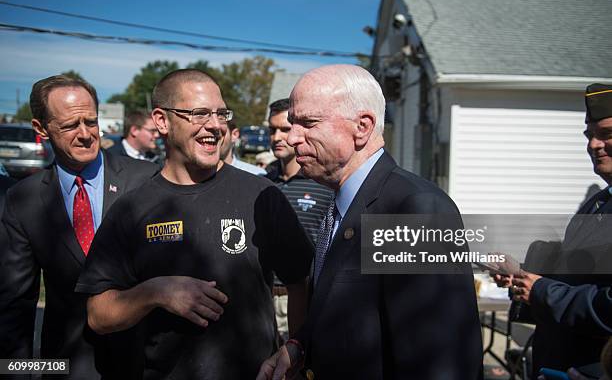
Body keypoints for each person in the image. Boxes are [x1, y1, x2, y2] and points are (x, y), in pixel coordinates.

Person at [76, 69, 313, 379]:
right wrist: (155, 292)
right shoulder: (132, 209)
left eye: (220, 113)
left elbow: (301, 281)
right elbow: (98, 316)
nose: (215, 126)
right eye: (200, 114)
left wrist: (294, 348)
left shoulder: (260, 195)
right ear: (161, 120)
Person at [257, 64, 483, 379]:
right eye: (293, 123)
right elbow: (348, 315)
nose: (293, 138)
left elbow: (441, 362)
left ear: (362, 127)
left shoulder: (412, 210)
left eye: (307, 123)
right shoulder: (344, 201)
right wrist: (299, 345)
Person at [0, 75, 157, 379]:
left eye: (91, 121)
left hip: (146, 362)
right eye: (71, 125)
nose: (86, 134)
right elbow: (15, 307)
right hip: (66, 364)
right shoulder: (24, 199)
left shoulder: (147, 179)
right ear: (41, 129)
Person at [494, 83, 612, 377]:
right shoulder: (597, 204)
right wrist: (520, 276)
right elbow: (574, 280)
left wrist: (543, 291)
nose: (593, 145)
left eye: (607, 134)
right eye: (589, 136)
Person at [265, 98, 333, 340]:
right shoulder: (264, 182)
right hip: (263, 299)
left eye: (284, 129)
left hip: (303, 297)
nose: (276, 137)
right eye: (272, 130)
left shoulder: (323, 185)